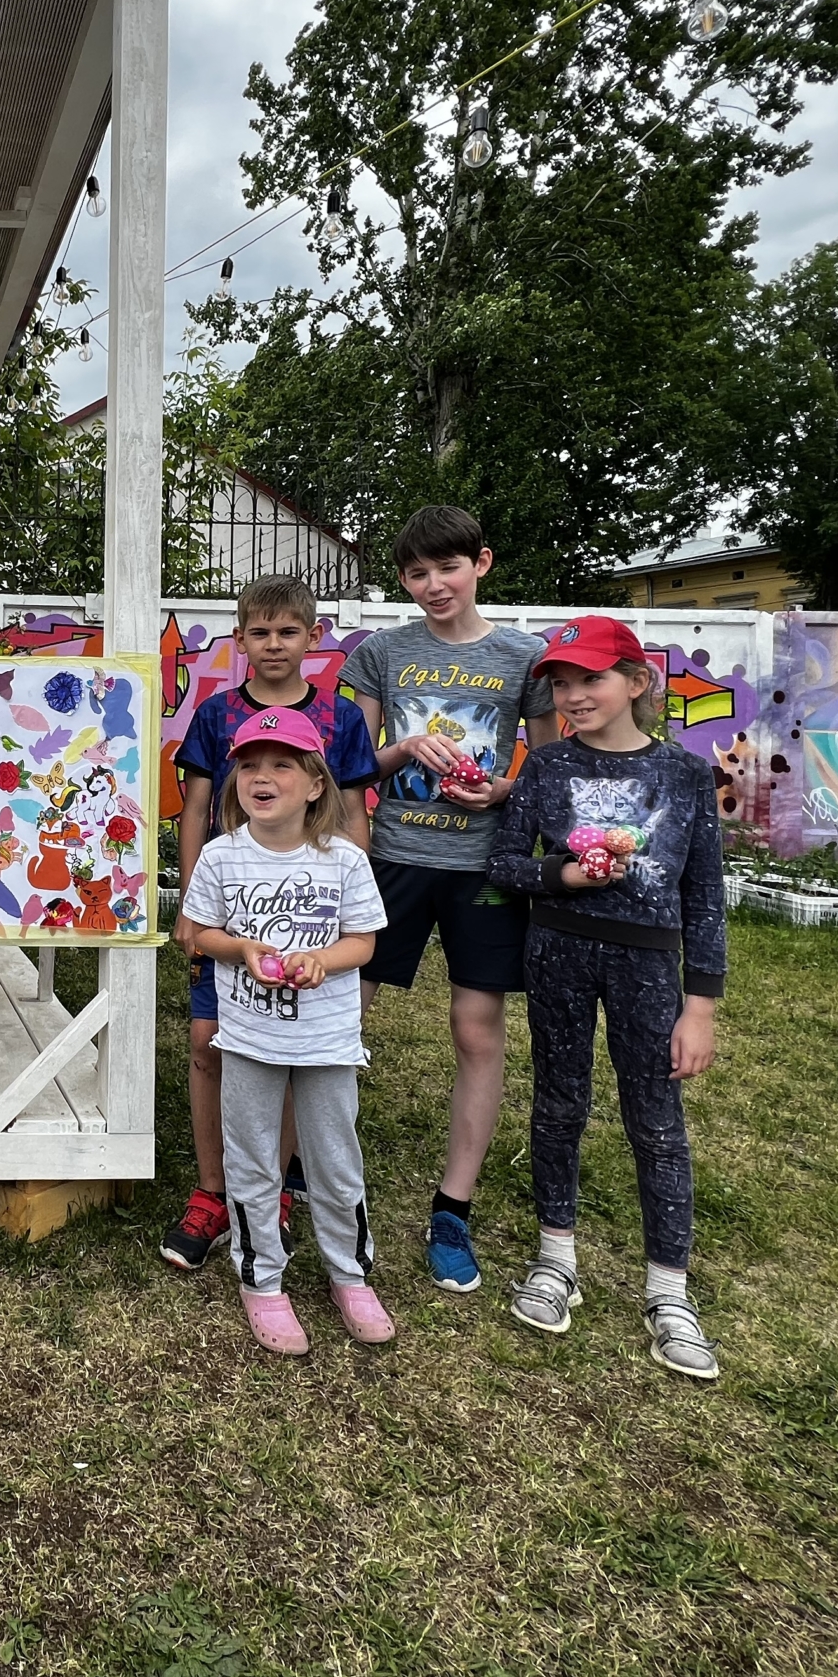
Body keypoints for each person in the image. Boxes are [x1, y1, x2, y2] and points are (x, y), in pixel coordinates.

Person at [486, 614, 726, 1382]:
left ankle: (670, 1290)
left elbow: (706, 898)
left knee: (655, 1122)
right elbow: (503, 864)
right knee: (559, 1105)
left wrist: (701, 1005)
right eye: (561, 682)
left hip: (649, 969)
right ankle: (556, 1258)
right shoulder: (547, 768)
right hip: (556, 953)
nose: (574, 695)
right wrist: (561, 875)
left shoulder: (686, 777)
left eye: (590, 679)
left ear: (636, 682)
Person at [347, 505, 558, 1295]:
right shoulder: (381, 653)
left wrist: (501, 787)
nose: (434, 585)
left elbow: (547, 767)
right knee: (345, 1016)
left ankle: (452, 1209)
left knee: (476, 1031)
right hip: (393, 861)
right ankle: (308, 1176)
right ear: (402, 580)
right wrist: (402, 749)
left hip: (484, 869)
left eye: (448, 568)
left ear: (482, 563)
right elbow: (351, 765)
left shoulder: (525, 658)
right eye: (416, 573)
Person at [160, 575, 378, 1273]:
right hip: (229, 914)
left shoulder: (340, 719)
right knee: (207, 1041)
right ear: (241, 639)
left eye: (289, 631)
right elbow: (194, 811)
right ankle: (213, 1192)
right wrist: (196, 908)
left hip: (309, 922)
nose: (274, 644)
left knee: (291, 1054)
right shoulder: (217, 713)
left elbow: (352, 817)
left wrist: (342, 904)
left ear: (312, 638)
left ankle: (276, 1191)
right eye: (260, 632)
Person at [176, 707, 391, 1355]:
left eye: (281, 764)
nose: (260, 776)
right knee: (251, 1163)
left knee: (334, 1161)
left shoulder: (344, 862)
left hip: (326, 1043)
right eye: (248, 764)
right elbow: (202, 932)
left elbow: (364, 943)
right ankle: (261, 1279)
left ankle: (348, 1275)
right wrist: (240, 951)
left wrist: (319, 961)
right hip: (249, 1042)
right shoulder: (220, 857)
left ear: (317, 783)